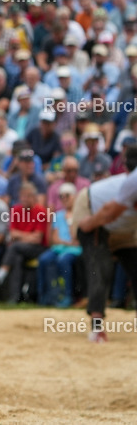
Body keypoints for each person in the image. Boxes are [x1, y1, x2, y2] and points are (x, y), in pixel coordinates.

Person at [74, 145, 137, 342]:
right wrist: (88, 224)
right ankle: (97, 327)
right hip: (92, 210)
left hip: (124, 226)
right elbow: (109, 211)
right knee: (101, 267)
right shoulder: (133, 182)